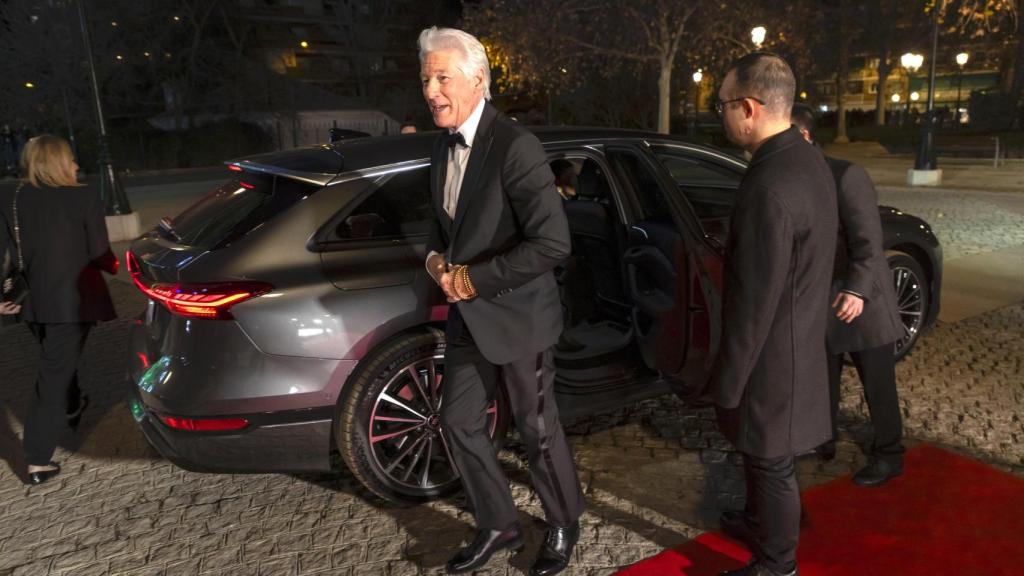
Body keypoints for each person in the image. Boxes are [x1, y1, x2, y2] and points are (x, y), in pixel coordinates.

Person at [418, 26, 584, 576]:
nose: (431, 89)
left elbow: (553, 243)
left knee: (537, 430)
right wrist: (437, 263)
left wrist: (474, 280)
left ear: (477, 80)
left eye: (442, 77)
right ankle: (500, 524)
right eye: (426, 78)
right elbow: (436, 230)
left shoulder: (515, 145)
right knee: (458, 421)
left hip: (521, 316)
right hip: (470, 316)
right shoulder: (442, 146)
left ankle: (563, 523)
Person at [710, 53, 837, 576]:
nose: (718, 114)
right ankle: (761, 523)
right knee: (766, 461)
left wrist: (729, 382)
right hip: (800, 335)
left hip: (770, 356)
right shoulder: (806, 159)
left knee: (771, 462)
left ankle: (777, 563)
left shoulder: (767, 184)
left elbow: (755, 300)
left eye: (721, 104)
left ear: (748, 107)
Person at [790, 104, 906, 487]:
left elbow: (869, 240)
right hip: (821, 296)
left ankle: (890, 454)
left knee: (877, 381)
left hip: (862, 298)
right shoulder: (796, 178)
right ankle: (823, 440)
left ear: (804, 135)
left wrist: (856, 289)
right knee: (822, 375)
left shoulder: (846, 174)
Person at [0, 135, 118, 486]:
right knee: (53, 372)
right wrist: (114, 264)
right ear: (57, 163)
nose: (77, 166)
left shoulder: (11, 195)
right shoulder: (82, 195)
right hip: (72, 300)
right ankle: (37, 459)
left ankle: (70, 406)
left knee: (57, 358)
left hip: (30, 300)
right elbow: (99, 250)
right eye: (71, 159)